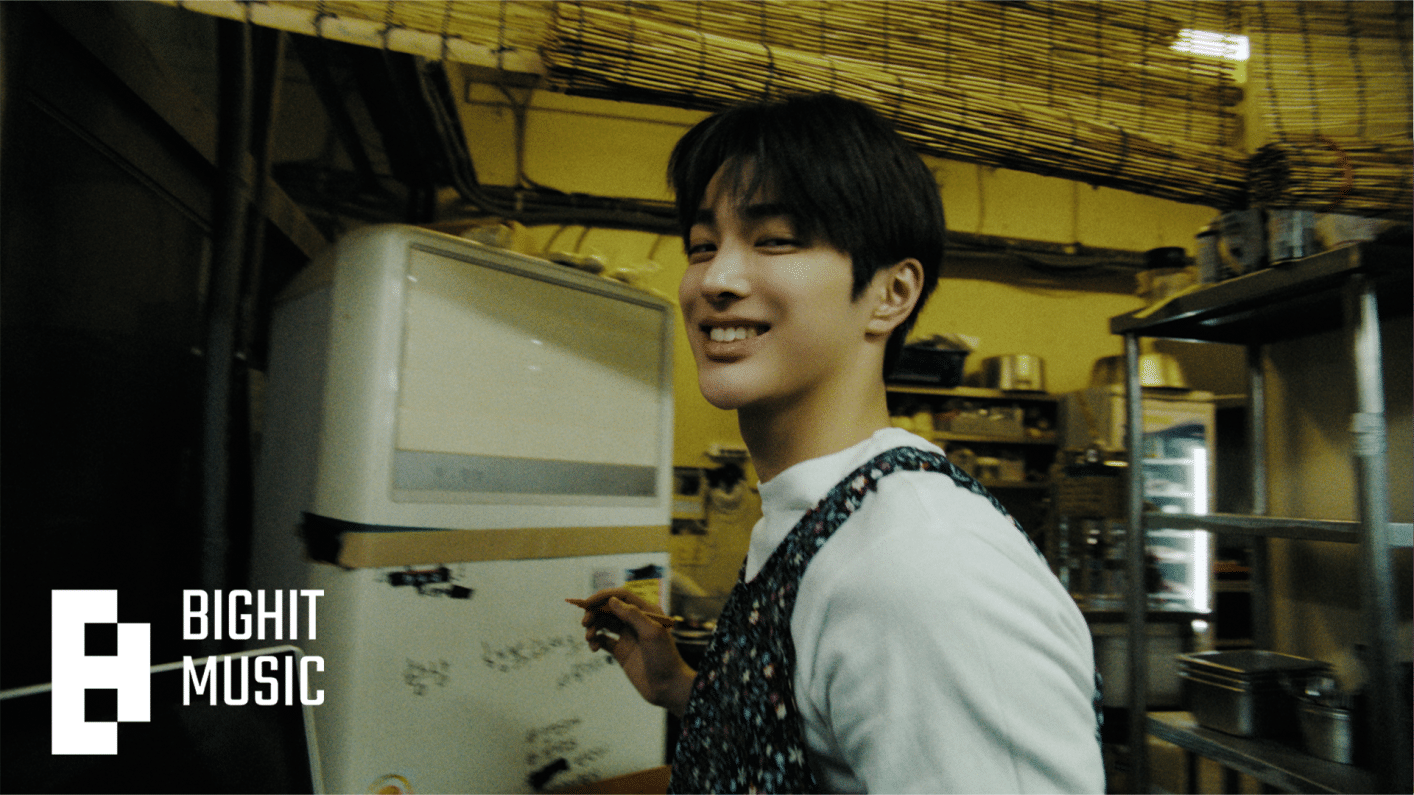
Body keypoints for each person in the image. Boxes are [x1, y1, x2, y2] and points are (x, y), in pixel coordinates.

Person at [571, 93, 1104, 794]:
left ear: (891, 294)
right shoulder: (819, 513)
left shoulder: (923, 565)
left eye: (774, 240)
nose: (716, 280)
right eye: (703, 246)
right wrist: (682, 685)